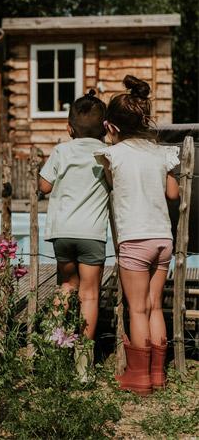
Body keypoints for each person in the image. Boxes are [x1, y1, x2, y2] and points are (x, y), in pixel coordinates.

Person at [95, 75, 180, 396]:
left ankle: (139, 376)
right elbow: (173, 194)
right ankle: (158, 374)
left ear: (112, 126)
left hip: (135, 240)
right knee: (155, 306)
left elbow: (111, 183)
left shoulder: (113, 155)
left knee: (138, 309)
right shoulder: (160, 154)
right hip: (163, 240)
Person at [39, 90, 109, 381]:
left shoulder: (61, 151)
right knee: (89, 294)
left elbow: (44, 186)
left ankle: (53, 349)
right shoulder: (106, 154)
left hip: (63, 232)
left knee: (66, 286)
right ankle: (83, 365)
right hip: (92, 233)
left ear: (69, 128)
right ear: (105, 128)